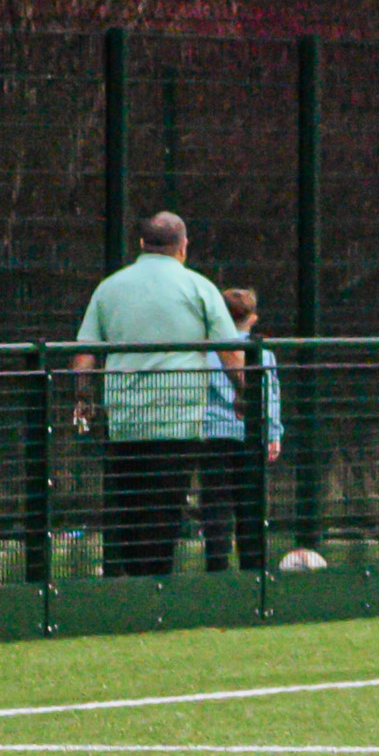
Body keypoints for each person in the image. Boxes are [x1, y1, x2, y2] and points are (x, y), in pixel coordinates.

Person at [70, 211, 240, 577]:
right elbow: (230, 350)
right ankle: (156, 585)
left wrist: (83, 398)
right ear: (183, 246)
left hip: (125, 420)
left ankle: (130, 583)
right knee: (165, 510)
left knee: (128, 508)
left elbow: (85, 353)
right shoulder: (200, 287)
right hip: (177, 423)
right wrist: (243, 394)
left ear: (141, 245)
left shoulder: (110, 287)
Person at [197, 286, 282, 574]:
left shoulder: (207, 352)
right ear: (253, 318)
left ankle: (217, 569)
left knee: (216, 508)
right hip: (250, 437)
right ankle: (254, 571)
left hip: (213, 438)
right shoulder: (263, 353)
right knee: (251, 507)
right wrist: (273, 433)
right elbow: (269, 394)